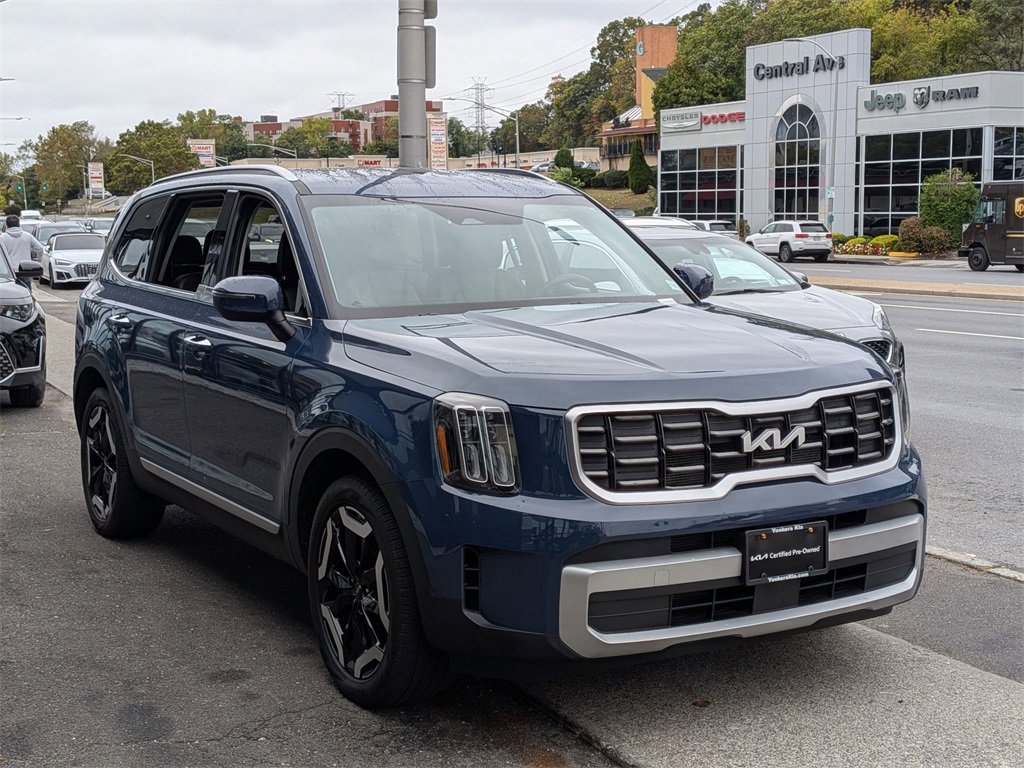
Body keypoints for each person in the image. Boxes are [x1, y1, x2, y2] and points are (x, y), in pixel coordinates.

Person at [0, 215, 44, 292]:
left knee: (10, 292)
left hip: (9, 271)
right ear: (19, 224)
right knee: (26, 292)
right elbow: (40, 248)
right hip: (25, 270)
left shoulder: (3, 238)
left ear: (6, 225)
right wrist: (37, 261)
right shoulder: (27, 236)